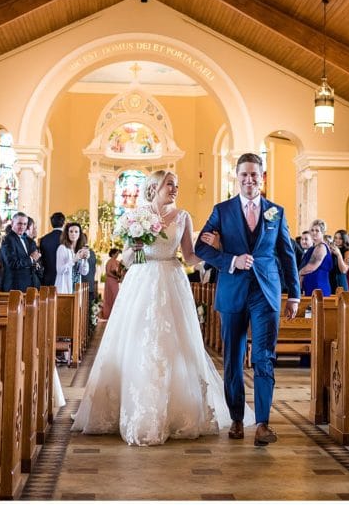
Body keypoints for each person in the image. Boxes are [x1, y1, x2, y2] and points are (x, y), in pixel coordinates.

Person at [73, 170, 243, 446]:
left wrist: (216, 247)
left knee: (172, 343)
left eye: (177, 185)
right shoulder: (137, 215)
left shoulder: (183, 217)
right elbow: (128, 258)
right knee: (138, 341)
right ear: (154, 187)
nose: (174, 189)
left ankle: (175, 411)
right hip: (141, 279)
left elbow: (188, 257)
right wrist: (135, 246)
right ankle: (134, 408)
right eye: (169, 185)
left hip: (172, 280)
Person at [194, 152, 300, 448]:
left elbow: (287, 255)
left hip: (266, 291)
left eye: (254, 174)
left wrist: (294, 294)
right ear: (236, 177)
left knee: (265, 357)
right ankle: (238, 418)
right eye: (244, 175)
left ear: (262, 177)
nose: (249, 179)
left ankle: (263, 423)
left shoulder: (275, 212)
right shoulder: (222, 210)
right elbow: (201, 248)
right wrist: (231, 260)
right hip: (233, 289)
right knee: (233, 359)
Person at [0, 213, 41, 292]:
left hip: (27, 284)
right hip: (14, 285)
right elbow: (11, 263)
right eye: (19, 223)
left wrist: (35, 263)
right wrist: (31, 259)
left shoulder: (26, 239)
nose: (22, 227)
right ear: (12, 223)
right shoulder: (7, 240)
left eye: (25, 224)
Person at [298, 220, 333, 297]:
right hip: (311, 286)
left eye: (317, 231)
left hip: (318, 286)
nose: (314, 233)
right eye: (312, 230)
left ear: (323, 232)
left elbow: (312, 266)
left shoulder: (321, 247)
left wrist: (298, 273)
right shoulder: (314, 247)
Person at [55, 222, 89, 296]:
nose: (73, 234)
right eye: (71, 231)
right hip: (65, 287)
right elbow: (60, 270)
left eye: (76, 231)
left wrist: (85, 259)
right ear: (67, 233)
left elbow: (84, 272)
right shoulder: (62, 248)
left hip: (76, 288)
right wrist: (74, 260)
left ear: (80, 234)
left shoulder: (79, 250)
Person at [38, 212, 66, 288]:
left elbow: (41, 259)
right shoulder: (67, 238)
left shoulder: (44, 239)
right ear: (64, 222)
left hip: (48, 276)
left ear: (51, 223)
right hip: (63, 277)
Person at [100, 247, 123, 320]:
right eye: (116, 253)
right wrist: (116, 277)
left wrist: (119, 276)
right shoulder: (109, 261)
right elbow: (108, 272)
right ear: (113, 254)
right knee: (111, 296)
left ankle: (115, 314)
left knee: (115, 296)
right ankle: (108, 314)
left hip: (115, 281)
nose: (117, 255)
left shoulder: (117, 261)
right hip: (110, 281)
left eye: (118, 254)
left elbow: (120, 270)